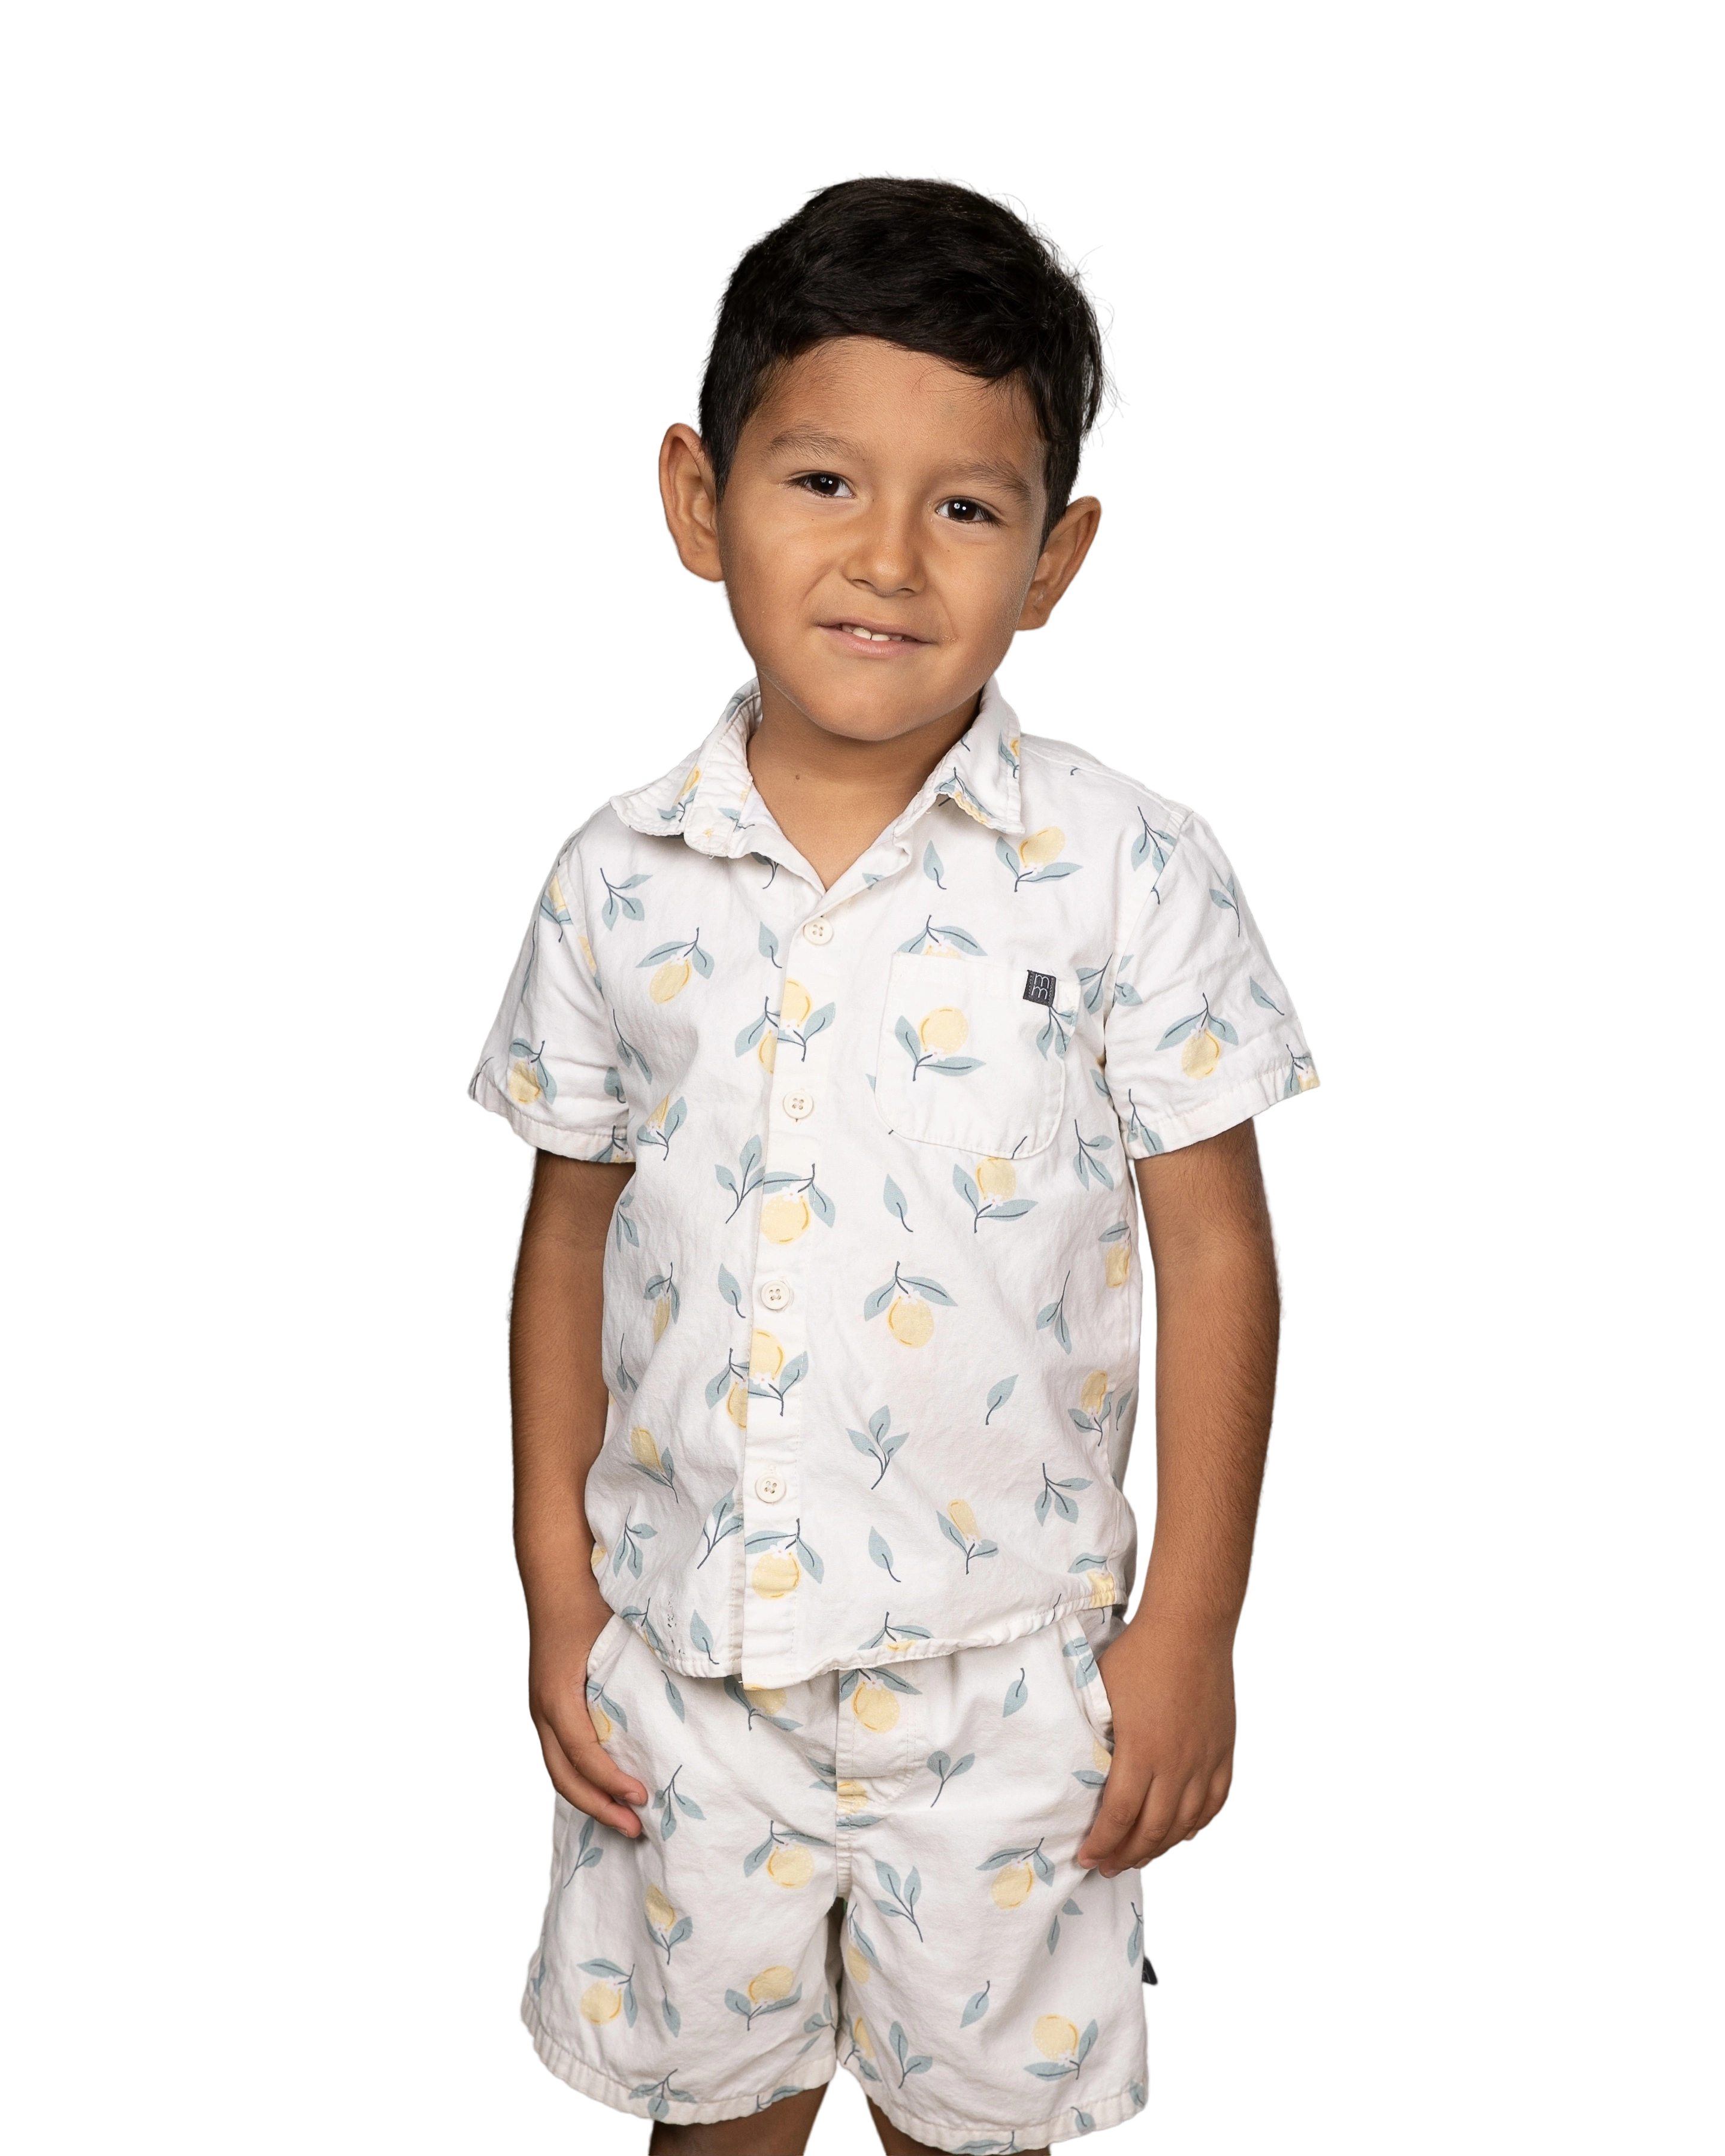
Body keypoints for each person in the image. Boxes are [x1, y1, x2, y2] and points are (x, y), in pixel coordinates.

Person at [465, 167, 1321, 2156]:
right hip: (689, 1668)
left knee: (983, 2130)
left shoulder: (1132, 873)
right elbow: (567, 1237)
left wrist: (1193, 1629)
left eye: (968, 507)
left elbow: (1220, 1256)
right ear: (701, 499)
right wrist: (556, 1597)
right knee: (714, 2116)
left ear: (1061, 552)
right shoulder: (617, 879)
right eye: (825, 480)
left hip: (1015, 1685)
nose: (887, 558)